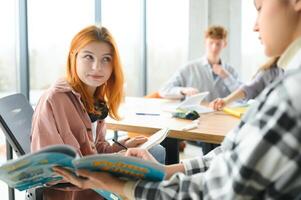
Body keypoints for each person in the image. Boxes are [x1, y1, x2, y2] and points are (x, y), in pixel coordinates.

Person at [54, 0, 301, 199]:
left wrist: (121, 185)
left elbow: (218, 191)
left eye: (259, 8)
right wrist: (166, 171)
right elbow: (229, 158)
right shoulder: (284, 87)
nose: (255, 26)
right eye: (89, 58)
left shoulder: (290, 93)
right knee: (162, 152)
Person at [30, 25, 165, 200]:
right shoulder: (54, 99)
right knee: (154, 157)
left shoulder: (96, 97)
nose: (97, 67)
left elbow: (95, 148)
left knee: (155, 150)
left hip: (97, 183)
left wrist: (121, 147)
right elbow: (49, 169)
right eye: (88, 57)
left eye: (106, 59)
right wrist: (118, 159)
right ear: (74, 57)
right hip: (76, 192)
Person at [159, 25, 242, 102]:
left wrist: (226, 77)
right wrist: (183, 91)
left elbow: (243, 97)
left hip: (222, 116)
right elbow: (164, 90)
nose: (214, 48)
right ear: (205, 43)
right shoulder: (189, 68)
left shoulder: (230, 71)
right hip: (196, 116)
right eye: (211, 43)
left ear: (224, 44)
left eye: (218, 44)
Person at [210, 56, 284, 110]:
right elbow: (249, 88)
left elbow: (246, 89)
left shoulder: (230, 69)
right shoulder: (269, 71)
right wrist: (225, 101)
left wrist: (225, 75)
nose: (214, 48)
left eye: (218, 44)